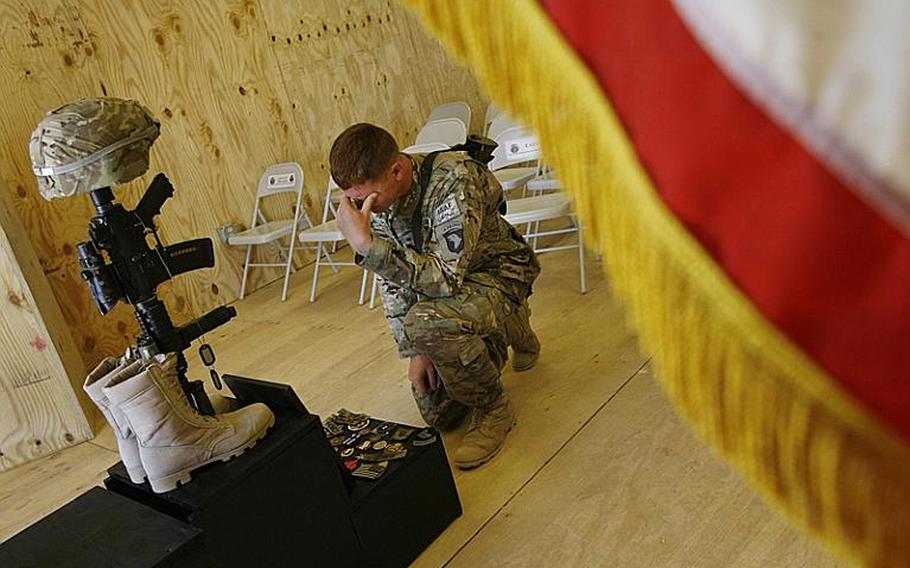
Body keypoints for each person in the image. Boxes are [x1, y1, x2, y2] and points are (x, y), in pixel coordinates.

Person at [330, 123, 541, 469]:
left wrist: (367, 246)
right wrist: (416, 349)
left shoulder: (454, 179)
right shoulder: (380, 203)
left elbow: (446, 277)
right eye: (352, 199)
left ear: (396, 170)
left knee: (429, 324)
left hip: (499, 274)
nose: (359, 207)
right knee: (439, 414)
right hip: (447, 290)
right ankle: (509, 326)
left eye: (365, 198)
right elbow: (395, 283)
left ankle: (494, 409)